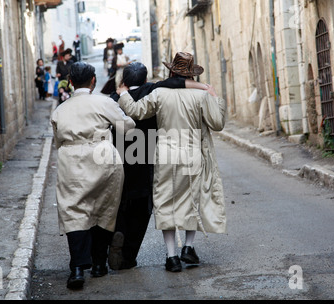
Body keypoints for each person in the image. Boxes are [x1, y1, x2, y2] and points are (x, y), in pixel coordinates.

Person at [117, 52, 227, 273]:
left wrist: (124, 94)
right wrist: (215, 97)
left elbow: (136, 112)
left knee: (165, 203)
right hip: (192, 154)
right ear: (190, 74)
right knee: (191, 201)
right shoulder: (200, 96)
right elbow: (217, 123)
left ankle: (171, 257)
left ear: (170, 72)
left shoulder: (159, 93)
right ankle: (188, 247)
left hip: (165, 155)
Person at [51, 62, 135, 290]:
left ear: (70, 81)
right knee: (103, 209)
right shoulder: (104, 102)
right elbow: (128, 127)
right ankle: (99, 264)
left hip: (72, 160)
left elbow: (58, 141)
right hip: (102, 158)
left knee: (74, 211)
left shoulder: (60, 110)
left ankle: (77, 268)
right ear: (93, 81)